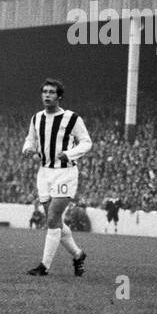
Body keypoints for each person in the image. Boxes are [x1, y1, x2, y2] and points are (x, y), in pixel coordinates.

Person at [22, 78, 91, 276]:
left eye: (52, 92)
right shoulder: (37, 118)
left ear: (59, 96)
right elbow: (30, 139)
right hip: (44, 173)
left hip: (65, 173)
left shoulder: (72, 118)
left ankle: (44, 267)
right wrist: (27, 149)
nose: (47, 95)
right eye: (45, 92)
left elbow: (86, 142)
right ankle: (78, 255)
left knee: (52, 219)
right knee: (56, 222)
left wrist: (69, 154)